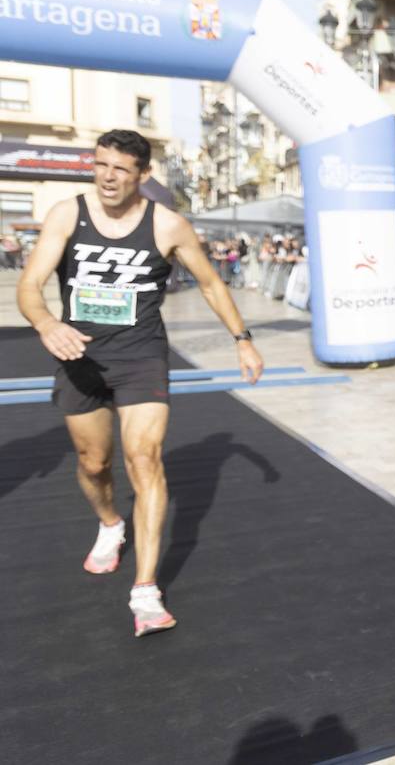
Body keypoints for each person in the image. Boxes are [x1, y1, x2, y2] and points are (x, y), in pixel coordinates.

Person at [15, 129, 264, 637]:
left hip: (141, 355)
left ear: (142, 176)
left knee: (145, 459)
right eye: (101, 165)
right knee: (94, 462)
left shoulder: (168, 225)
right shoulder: (68, 213)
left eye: (120, 169)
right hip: (78, 351)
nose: (108, 176)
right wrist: (46, 323)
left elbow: (213, 283)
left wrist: (242, 337)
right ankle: (110, 523)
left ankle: (145, 590)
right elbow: (30, 283)